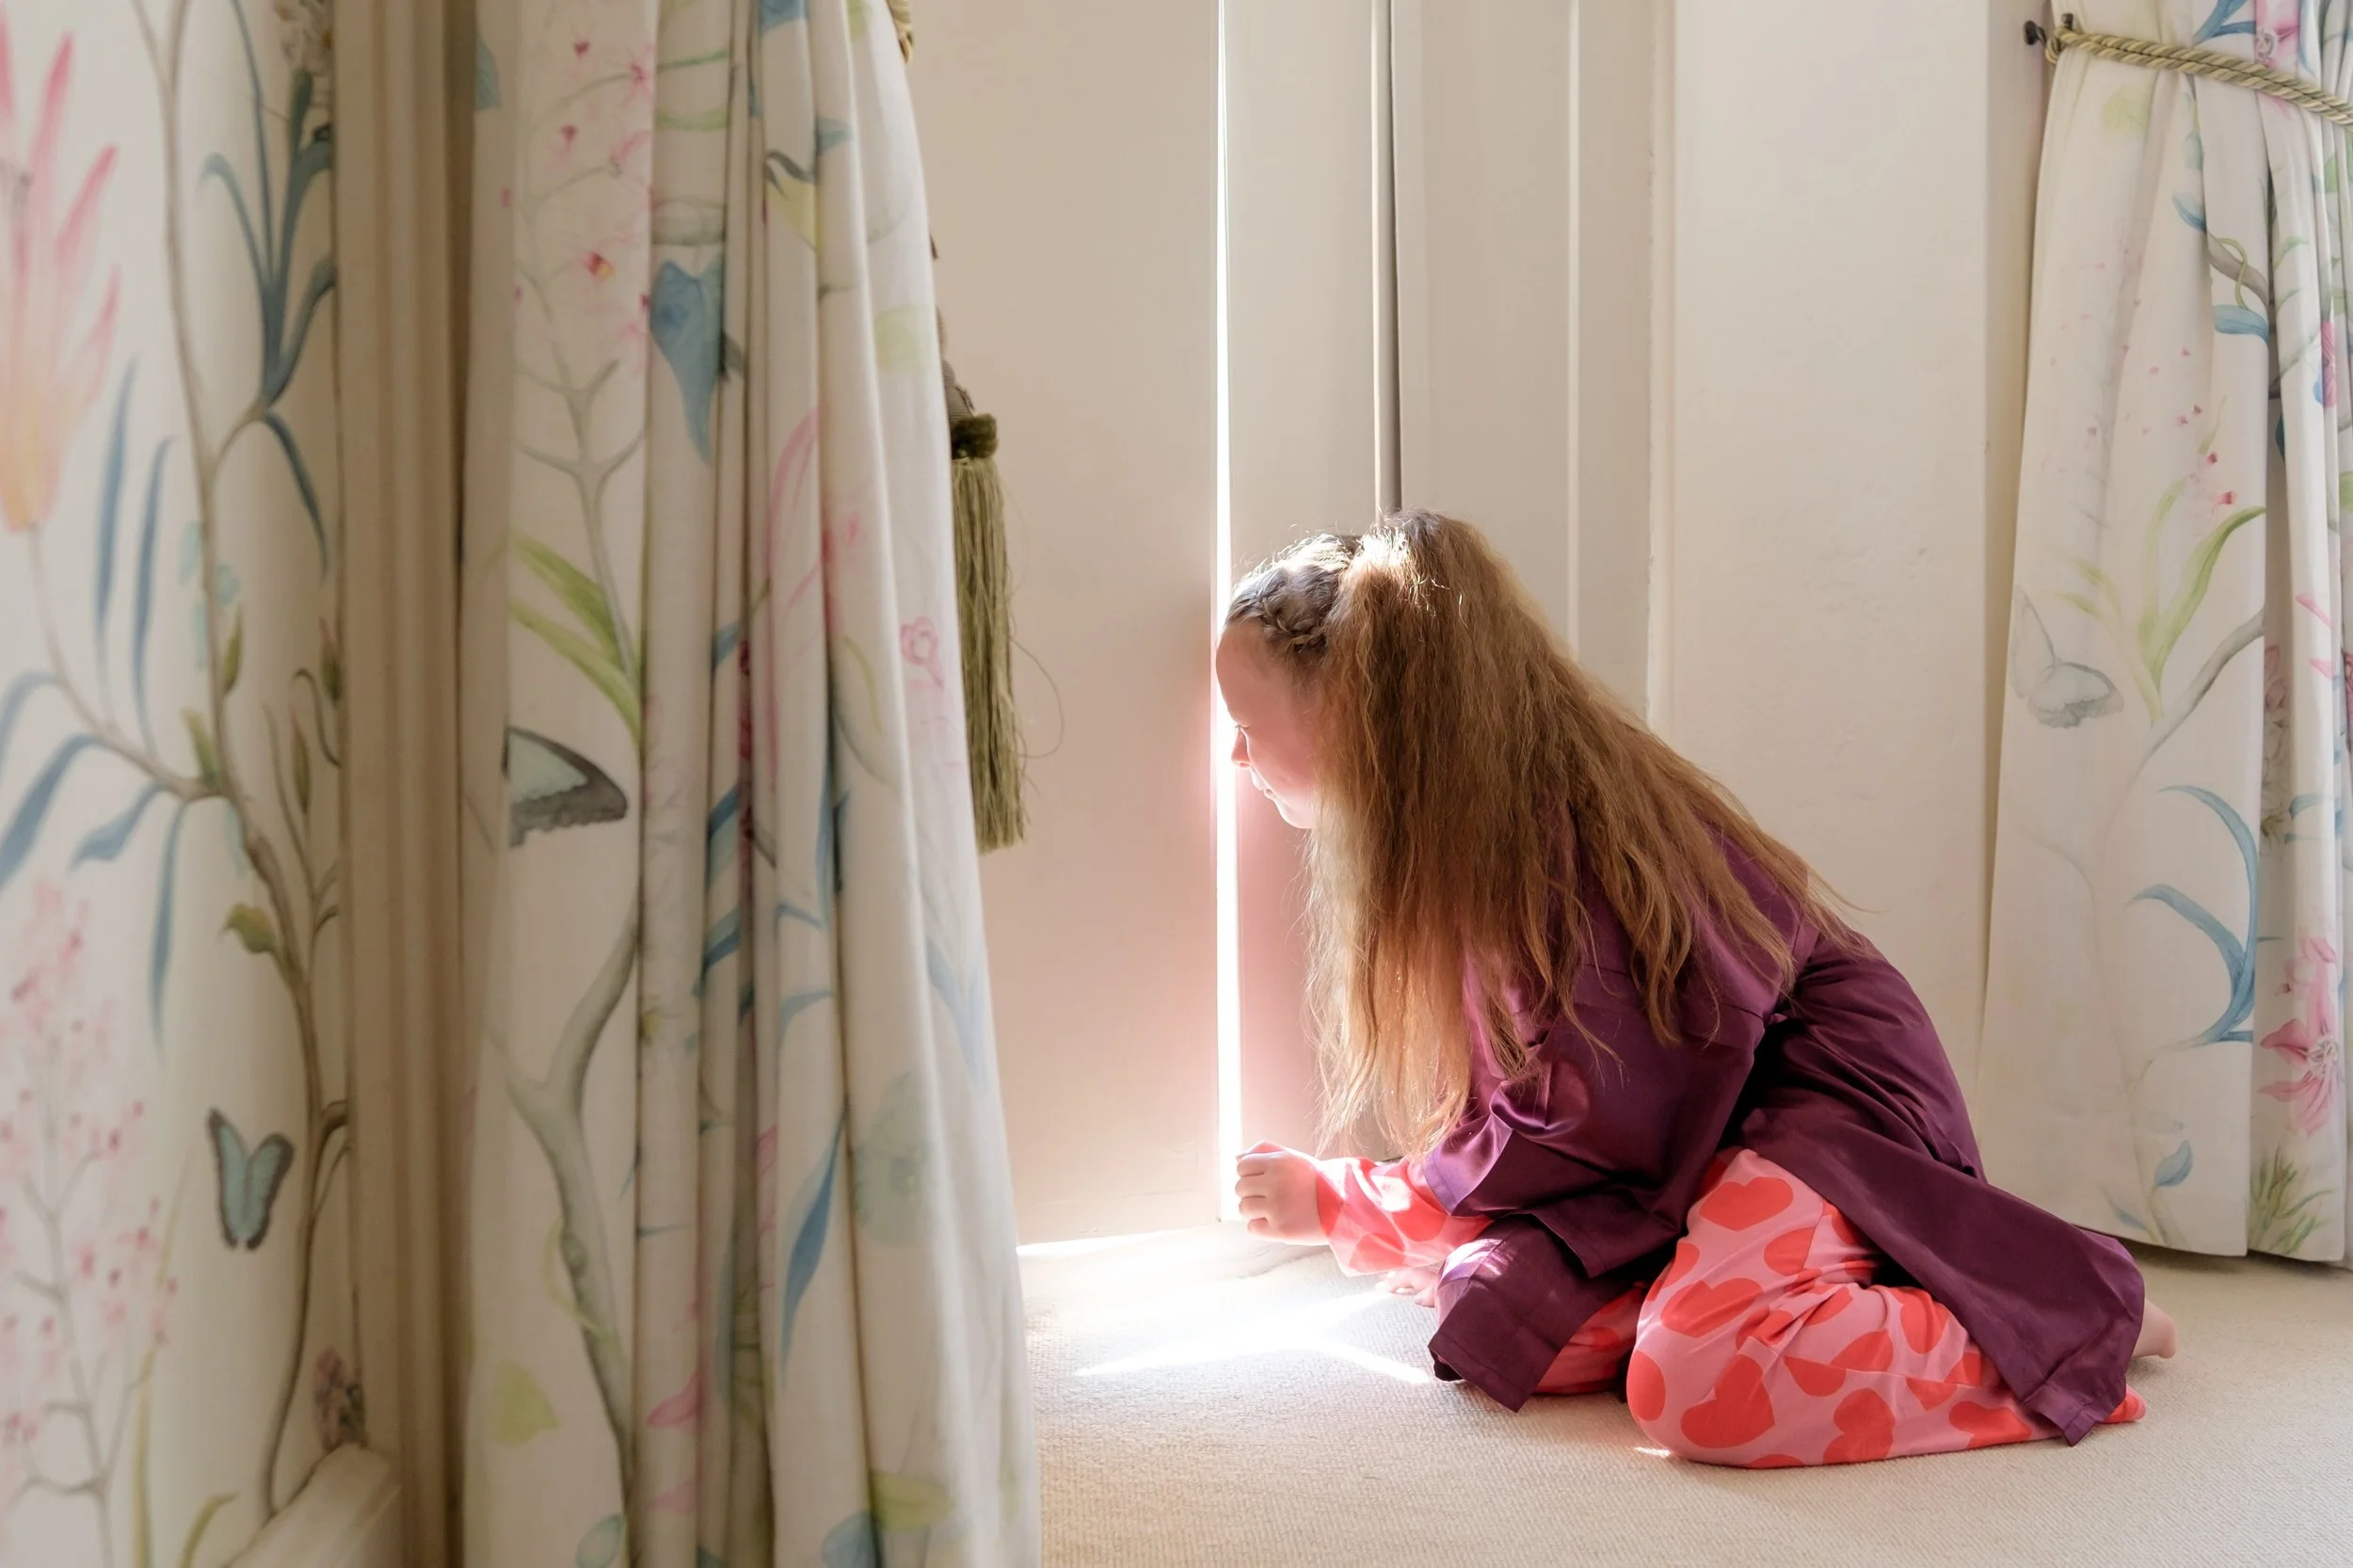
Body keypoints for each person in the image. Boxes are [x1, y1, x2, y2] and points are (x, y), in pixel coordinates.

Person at [1219, 512, 2175, 1469]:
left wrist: (1356, 1202)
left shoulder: (1555, 849)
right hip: (1698, 1136)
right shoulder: (1467, 851)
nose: (1235, 759)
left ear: (1354, 715)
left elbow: (1590, 1116)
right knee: (1499, 1312)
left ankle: (2058, 1315)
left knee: (1694, 1381)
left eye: (1248, 729)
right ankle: (1787, 1284)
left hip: (1820, 1107)